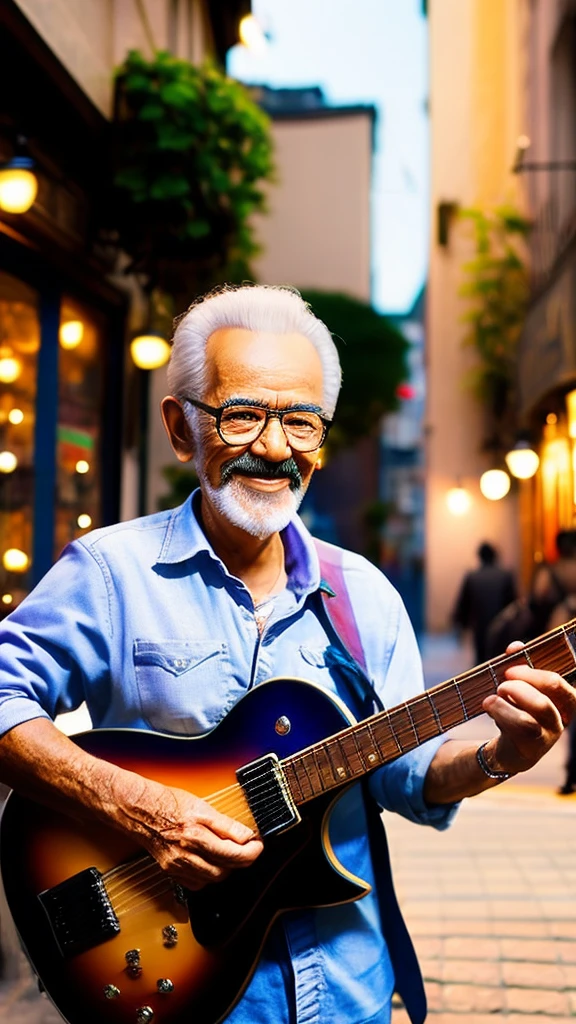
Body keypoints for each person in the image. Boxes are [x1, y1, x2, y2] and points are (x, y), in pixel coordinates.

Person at [0, 283, 573, 1024]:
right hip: (178, 985)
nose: (275, 448)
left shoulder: (362, 593)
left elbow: (405, 778)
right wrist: (142, 810)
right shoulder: (110, 573)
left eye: (302, 422)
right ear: (181, 429)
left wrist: (502, 757)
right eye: (243, 415)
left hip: (347, 993)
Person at [533, 530, 576, 795]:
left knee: (571, 705)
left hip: (564, 642)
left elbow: (538, 598)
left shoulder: (552, 570)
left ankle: (572, 771)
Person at [452, 541, 517, 664]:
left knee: (481, 662)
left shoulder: (472, 577)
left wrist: (460, 626)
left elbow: (463, 605)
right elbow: (513, 604)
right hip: (501, 627)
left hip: (480, 627)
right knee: (501, 660)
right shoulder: (505, 576)